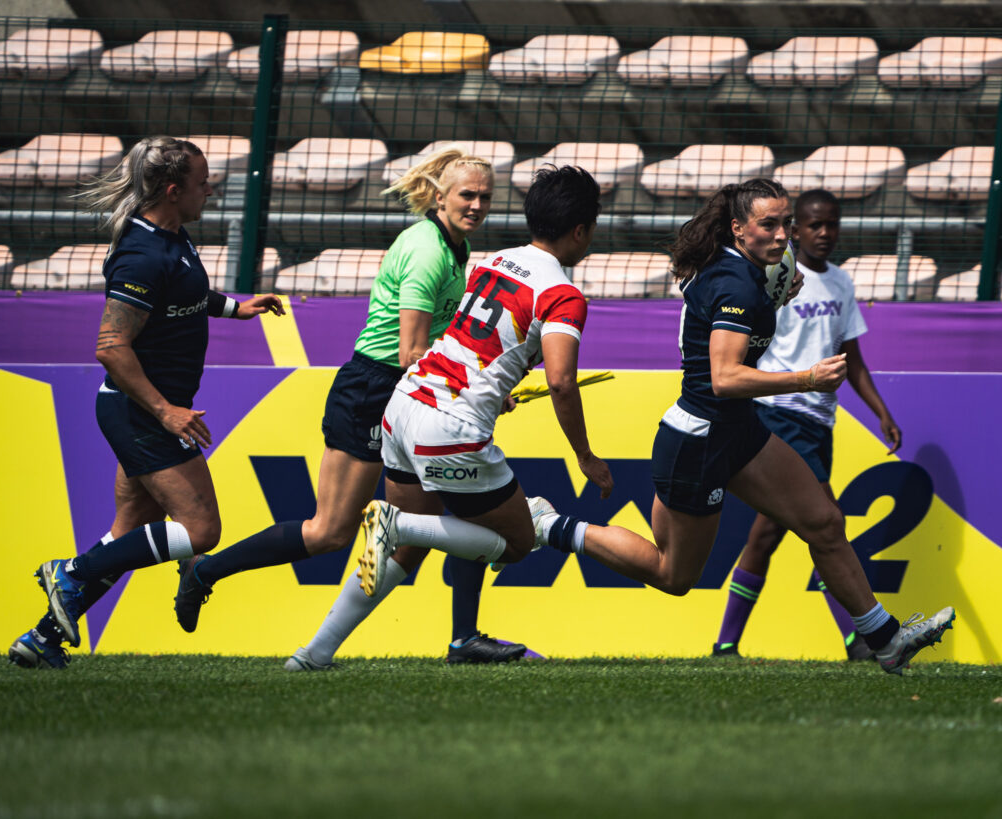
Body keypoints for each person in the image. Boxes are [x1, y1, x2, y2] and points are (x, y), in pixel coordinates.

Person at [361, 177, 954, 675]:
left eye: (785, 225)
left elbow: (732, 339)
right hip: (700, 439)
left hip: (736, 431)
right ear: (738, 230)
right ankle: (552, 526)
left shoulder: (742, 272)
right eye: (769, 226)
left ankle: (884, 640)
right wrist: (806, 378)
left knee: (823, 521)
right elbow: (724, 377)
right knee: (673, 574)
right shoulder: (734, 283)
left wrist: (774, 299)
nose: (782, 236)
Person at [173, 147, 528, 667]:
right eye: (467, 195)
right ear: (440, 197)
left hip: (415, 393)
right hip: (374, 390)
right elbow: (410, 352)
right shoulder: (427, 251)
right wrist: (471, 389)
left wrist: (476, 385)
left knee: (452, 512)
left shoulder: (457, 246)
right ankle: (205, 571)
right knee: (330, 532)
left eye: (485, 197)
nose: (476, 205)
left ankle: (463, 639)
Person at [8, 136, 285, 669]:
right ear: (174, 190)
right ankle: (70, 573)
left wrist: (236, 308)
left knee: (128, 534)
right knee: (202, 531)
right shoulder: (141, 253)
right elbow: (111, 347)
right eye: (203, 183)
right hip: (140, 413)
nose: (211, 190)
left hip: (146, 411)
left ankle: (41, 639)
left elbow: (181, 295)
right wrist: (166, 412)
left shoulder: (172, 236)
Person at [353, 164, 613, 608]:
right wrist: (585, 455)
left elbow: (471, 345)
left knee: (405, 553)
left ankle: (318, 645)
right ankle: (399, 525)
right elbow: (561, 382)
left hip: (404, 402)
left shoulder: (491, 261)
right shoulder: (562, 293)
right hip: (450, 425)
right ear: (580, 230)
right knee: (514, 542)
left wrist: (495, 387)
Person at [711, 189, 901, 662]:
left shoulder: (841, 283)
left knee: (768, 534)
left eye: (831, 224)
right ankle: (860, 637)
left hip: (818, 420)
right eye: (814, 224)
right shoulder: (778, 274)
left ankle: (725, 644)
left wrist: (880, 411)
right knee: (826, 522)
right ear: (795, 230)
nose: (824, 232)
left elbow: (852, 358)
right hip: (780, 411)